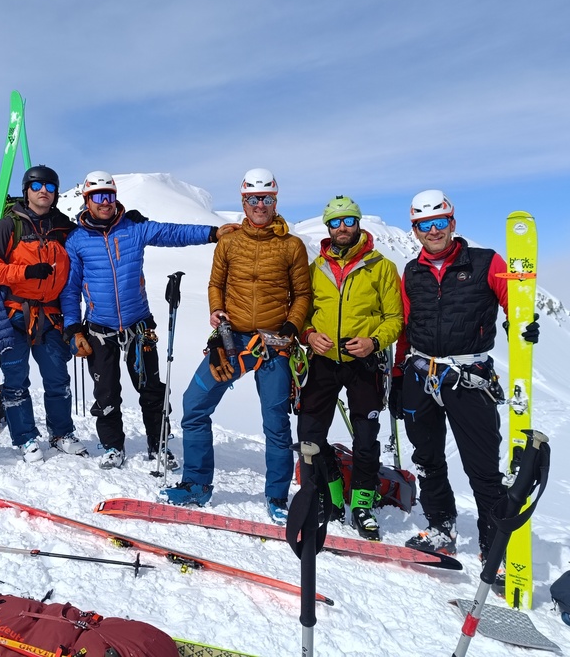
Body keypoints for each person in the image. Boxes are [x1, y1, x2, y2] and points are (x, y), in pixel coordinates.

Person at [391, 189, 539, 559]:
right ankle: (441, 526)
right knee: (426, 459)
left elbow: (514, 304)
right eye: (423, 225)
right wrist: (397, 375)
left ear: (452, 223)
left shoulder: (486, 262)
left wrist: (522, 326)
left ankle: (494, 545)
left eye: (439, 222)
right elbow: (406, 329)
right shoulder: (411, 272)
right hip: (419, 372)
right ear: (415, 230)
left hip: (469, 377)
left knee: (482, 467)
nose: (433, 231)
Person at [160, 168, 312, 525]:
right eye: (253, 199)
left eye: (267, 198)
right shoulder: (229, 242)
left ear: (276, 201)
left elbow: (302, 294)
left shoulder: (291, 246)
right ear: (244, 201)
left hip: (273, 343)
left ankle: (277, 496)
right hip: (232, 340)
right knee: (194, 405)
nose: (260, 205)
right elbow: (216, 283)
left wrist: (290, 328)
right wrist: (216, 310)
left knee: (275, 423)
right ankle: (197, 483)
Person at [61, 171, 238, 470]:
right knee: (106, 393)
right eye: (98, 197)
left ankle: (159, 446)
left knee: (151, 389)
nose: (105, 202)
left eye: (110, 195)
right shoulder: (76, 240)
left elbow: (172, 233)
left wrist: (212, 233)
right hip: (98, 331)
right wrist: (73, 329)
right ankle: (112, 447)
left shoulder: (134, 228)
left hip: (139, 327)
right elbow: (70, 289)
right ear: (87, 200)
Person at [297, 196, 403, 540]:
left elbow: (395, 319)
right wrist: (309, 335)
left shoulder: (381, 266)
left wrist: (373, 342)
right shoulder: (316, 269)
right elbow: (302, 315)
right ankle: (331, 494)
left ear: (358, 223)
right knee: (310, 434)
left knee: (366, 438)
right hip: (324, 361)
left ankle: (362, 504)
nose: (342, 227)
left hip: (365, 363)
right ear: (327, 227)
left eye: (348, 220)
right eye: (335, 222)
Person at [0, 165, 86, 464]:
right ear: (27, 190)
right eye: (37, 186)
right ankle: (25, 438)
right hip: (15, 314)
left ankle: (61, 433)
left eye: (51, 187)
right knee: (15, 379)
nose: (44, 192)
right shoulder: (9, 226)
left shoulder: (65, 228)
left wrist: (126, 219)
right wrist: (25, 272)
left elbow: (91, 244)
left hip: (51, 315)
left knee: (57, 378)